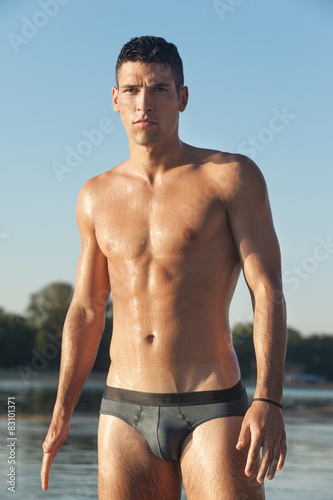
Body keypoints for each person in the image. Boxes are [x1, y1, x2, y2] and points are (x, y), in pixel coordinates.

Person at [41, 36, 287, 499]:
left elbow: (267, 291)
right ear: (115, 99)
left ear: (183, 97)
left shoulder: (230, 176)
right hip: (123, 409)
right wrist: (61, 410)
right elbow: (86, 311)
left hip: (213, 404)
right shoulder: (95, 195)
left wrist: (268, 398)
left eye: (159, 88)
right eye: (131, 90)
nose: (144, 103)